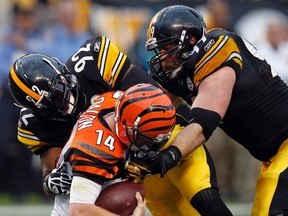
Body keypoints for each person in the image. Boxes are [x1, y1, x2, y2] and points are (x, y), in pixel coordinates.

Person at [9, 40, 232, 215]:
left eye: (60, 91)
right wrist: (52, 181)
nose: (66, 106)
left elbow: (156, 101)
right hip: (124, 170)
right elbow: (51, 170)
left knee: (204, 199)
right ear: (34, 110)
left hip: (159, 135)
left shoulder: (92, 60)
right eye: (52, 106)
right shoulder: (32, 124)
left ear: (62, 72)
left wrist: (155, 154)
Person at [128, 5, 288, 215]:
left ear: (190, 41)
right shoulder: (183, 70)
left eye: (167, 48)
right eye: (159, 49)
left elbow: (203, 123)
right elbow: (155, 109)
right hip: (274, 154)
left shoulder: (217, 49)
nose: (162, 55)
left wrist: (166, 157)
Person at [55, 83, 176, 215]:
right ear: (126, 127)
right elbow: (79, 211)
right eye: (144, 140)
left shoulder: (118, 101)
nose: (149, 148)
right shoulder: (94, 149)